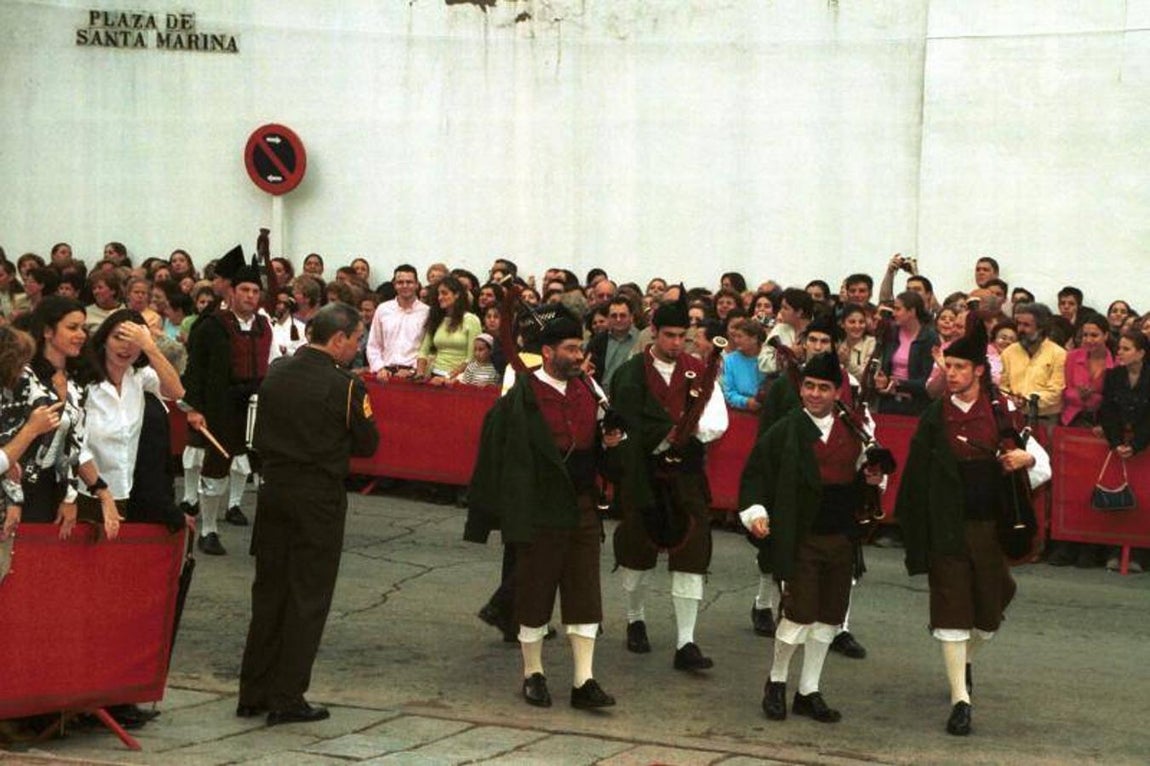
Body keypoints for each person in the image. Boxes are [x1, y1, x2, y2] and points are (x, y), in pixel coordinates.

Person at [896, 319, 1050, 737]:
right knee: (950, 609)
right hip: (947, 528)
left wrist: (1026, 460)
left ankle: (963, 662)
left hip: (989, 529)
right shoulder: (934, 416)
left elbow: (1041, 462)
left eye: (961, 367)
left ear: (980, 370)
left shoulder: (1004, 411)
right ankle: (960, 701)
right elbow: (915, 478)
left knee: (990, 611)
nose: (953, 373)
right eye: (949, 366)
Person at [467, 311, 620, 710]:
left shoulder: (590, 391)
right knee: (534, 596)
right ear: (548, 352)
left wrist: (614, 440)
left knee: (585, 594)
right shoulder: (522, 393)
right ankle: (533, 674)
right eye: (570, 349)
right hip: (539, 508)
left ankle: (583, 681)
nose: (578, 355)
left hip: (583, 505)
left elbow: (603, 449)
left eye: (580, 348)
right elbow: (501, 454)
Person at [237, 302, 379, 726]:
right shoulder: (346, 385)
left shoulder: (278, 371)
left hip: (274, 488)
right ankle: (287, 696)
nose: (357, 348)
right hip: (317, 495)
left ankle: (253, 691)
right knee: (307, 596)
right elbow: (368, 443)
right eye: (355, 340)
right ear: (338, 339)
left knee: (269, 593)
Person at [739, 353, 883, 724]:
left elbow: (870, 476)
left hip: (841, 536)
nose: (815, 394)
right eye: (809, 386)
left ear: (838, 392)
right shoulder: (785, 430)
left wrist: (872, 479)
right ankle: (776, 682)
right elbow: (755, 475)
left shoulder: (854, 432)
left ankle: (809, 690)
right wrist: (756, 514)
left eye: (824, 388)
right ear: (800, 388)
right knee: (799, 614)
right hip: (799, 535)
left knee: (828, 618)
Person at [609, 291, 728, 670]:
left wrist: (687, 435)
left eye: (683, 336)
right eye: (670, 335)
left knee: (691, 553)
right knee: (637, 551)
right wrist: (664, 435)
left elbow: (717, 419)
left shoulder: (699, 372)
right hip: (643, 474)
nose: (677, 343)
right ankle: (635, 618)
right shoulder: (630, 374)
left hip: (685, 476)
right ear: (654, 333)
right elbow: (625, 422)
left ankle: (686, 642)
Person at [182, 248, 273, 554]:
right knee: (216, 467)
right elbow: (195, 372)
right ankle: (208, 529)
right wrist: (193, 409)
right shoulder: (212, 326)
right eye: (244, 290)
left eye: (255, 291)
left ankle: (264, 534)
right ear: (231, 292)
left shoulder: (265, 327)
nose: (250, 296)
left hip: (255, 408)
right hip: (221, 408)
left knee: (260, 469)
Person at [5, 298, 120, 541]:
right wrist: (13, 498)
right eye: (72, 327)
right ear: (47, 331)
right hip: (13, 489)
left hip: (51, 489)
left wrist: (98, 493)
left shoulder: (75, 385)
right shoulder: (22, 377)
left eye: (83, 328)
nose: (81, 335)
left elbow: (76, 447)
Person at [1098, 330, 1150, 573]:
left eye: (1126, 349)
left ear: (1141, 353)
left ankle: (1140, 552)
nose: (1119, 352)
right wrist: (1116, 441)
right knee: (1116, 496)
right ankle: (1113, 550)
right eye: (1119, 348)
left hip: (1144, 446)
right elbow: (1107, 410)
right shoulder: (1113, 376)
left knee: (1143, 500)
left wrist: (1137, 444)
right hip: (1118, 444)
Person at [999, 303, 1067, 425]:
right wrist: (1010, 399)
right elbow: (1003, 386)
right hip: (1014, 417)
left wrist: (1027, 400)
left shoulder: (1059, 354)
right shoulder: (1009, 352)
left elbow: (1056, 392)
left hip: (1045, 419)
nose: (1020, 329)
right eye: (1019, 324)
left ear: (1041, 328)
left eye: (1026, 325)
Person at [873, 291, 938, 415]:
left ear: (912, 312)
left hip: (916, 404)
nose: (894, 313)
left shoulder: (929, 337)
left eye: (898, 309)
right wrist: (882, 380)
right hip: (888, 401)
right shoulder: (891, 332)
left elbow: (928, 381)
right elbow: (885, 367)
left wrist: (899, 384)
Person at [415, 275, 481, 383]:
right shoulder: (436, 319)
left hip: (459, 379)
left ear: (457, 295)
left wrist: (448, 377)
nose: (440, 297)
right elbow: (423, 351)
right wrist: (420, 373)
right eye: (438, 294)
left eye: (444, 293)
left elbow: (472, 358)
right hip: (434, 376)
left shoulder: (471, 320)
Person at [721, 318, 766, 412]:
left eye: (740, 337)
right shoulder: (730, 360)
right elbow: (729, 392)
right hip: (740, 411)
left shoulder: (768, 357)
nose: (736, 340)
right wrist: (746, 402)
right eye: (735, 336)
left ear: (754, 339)